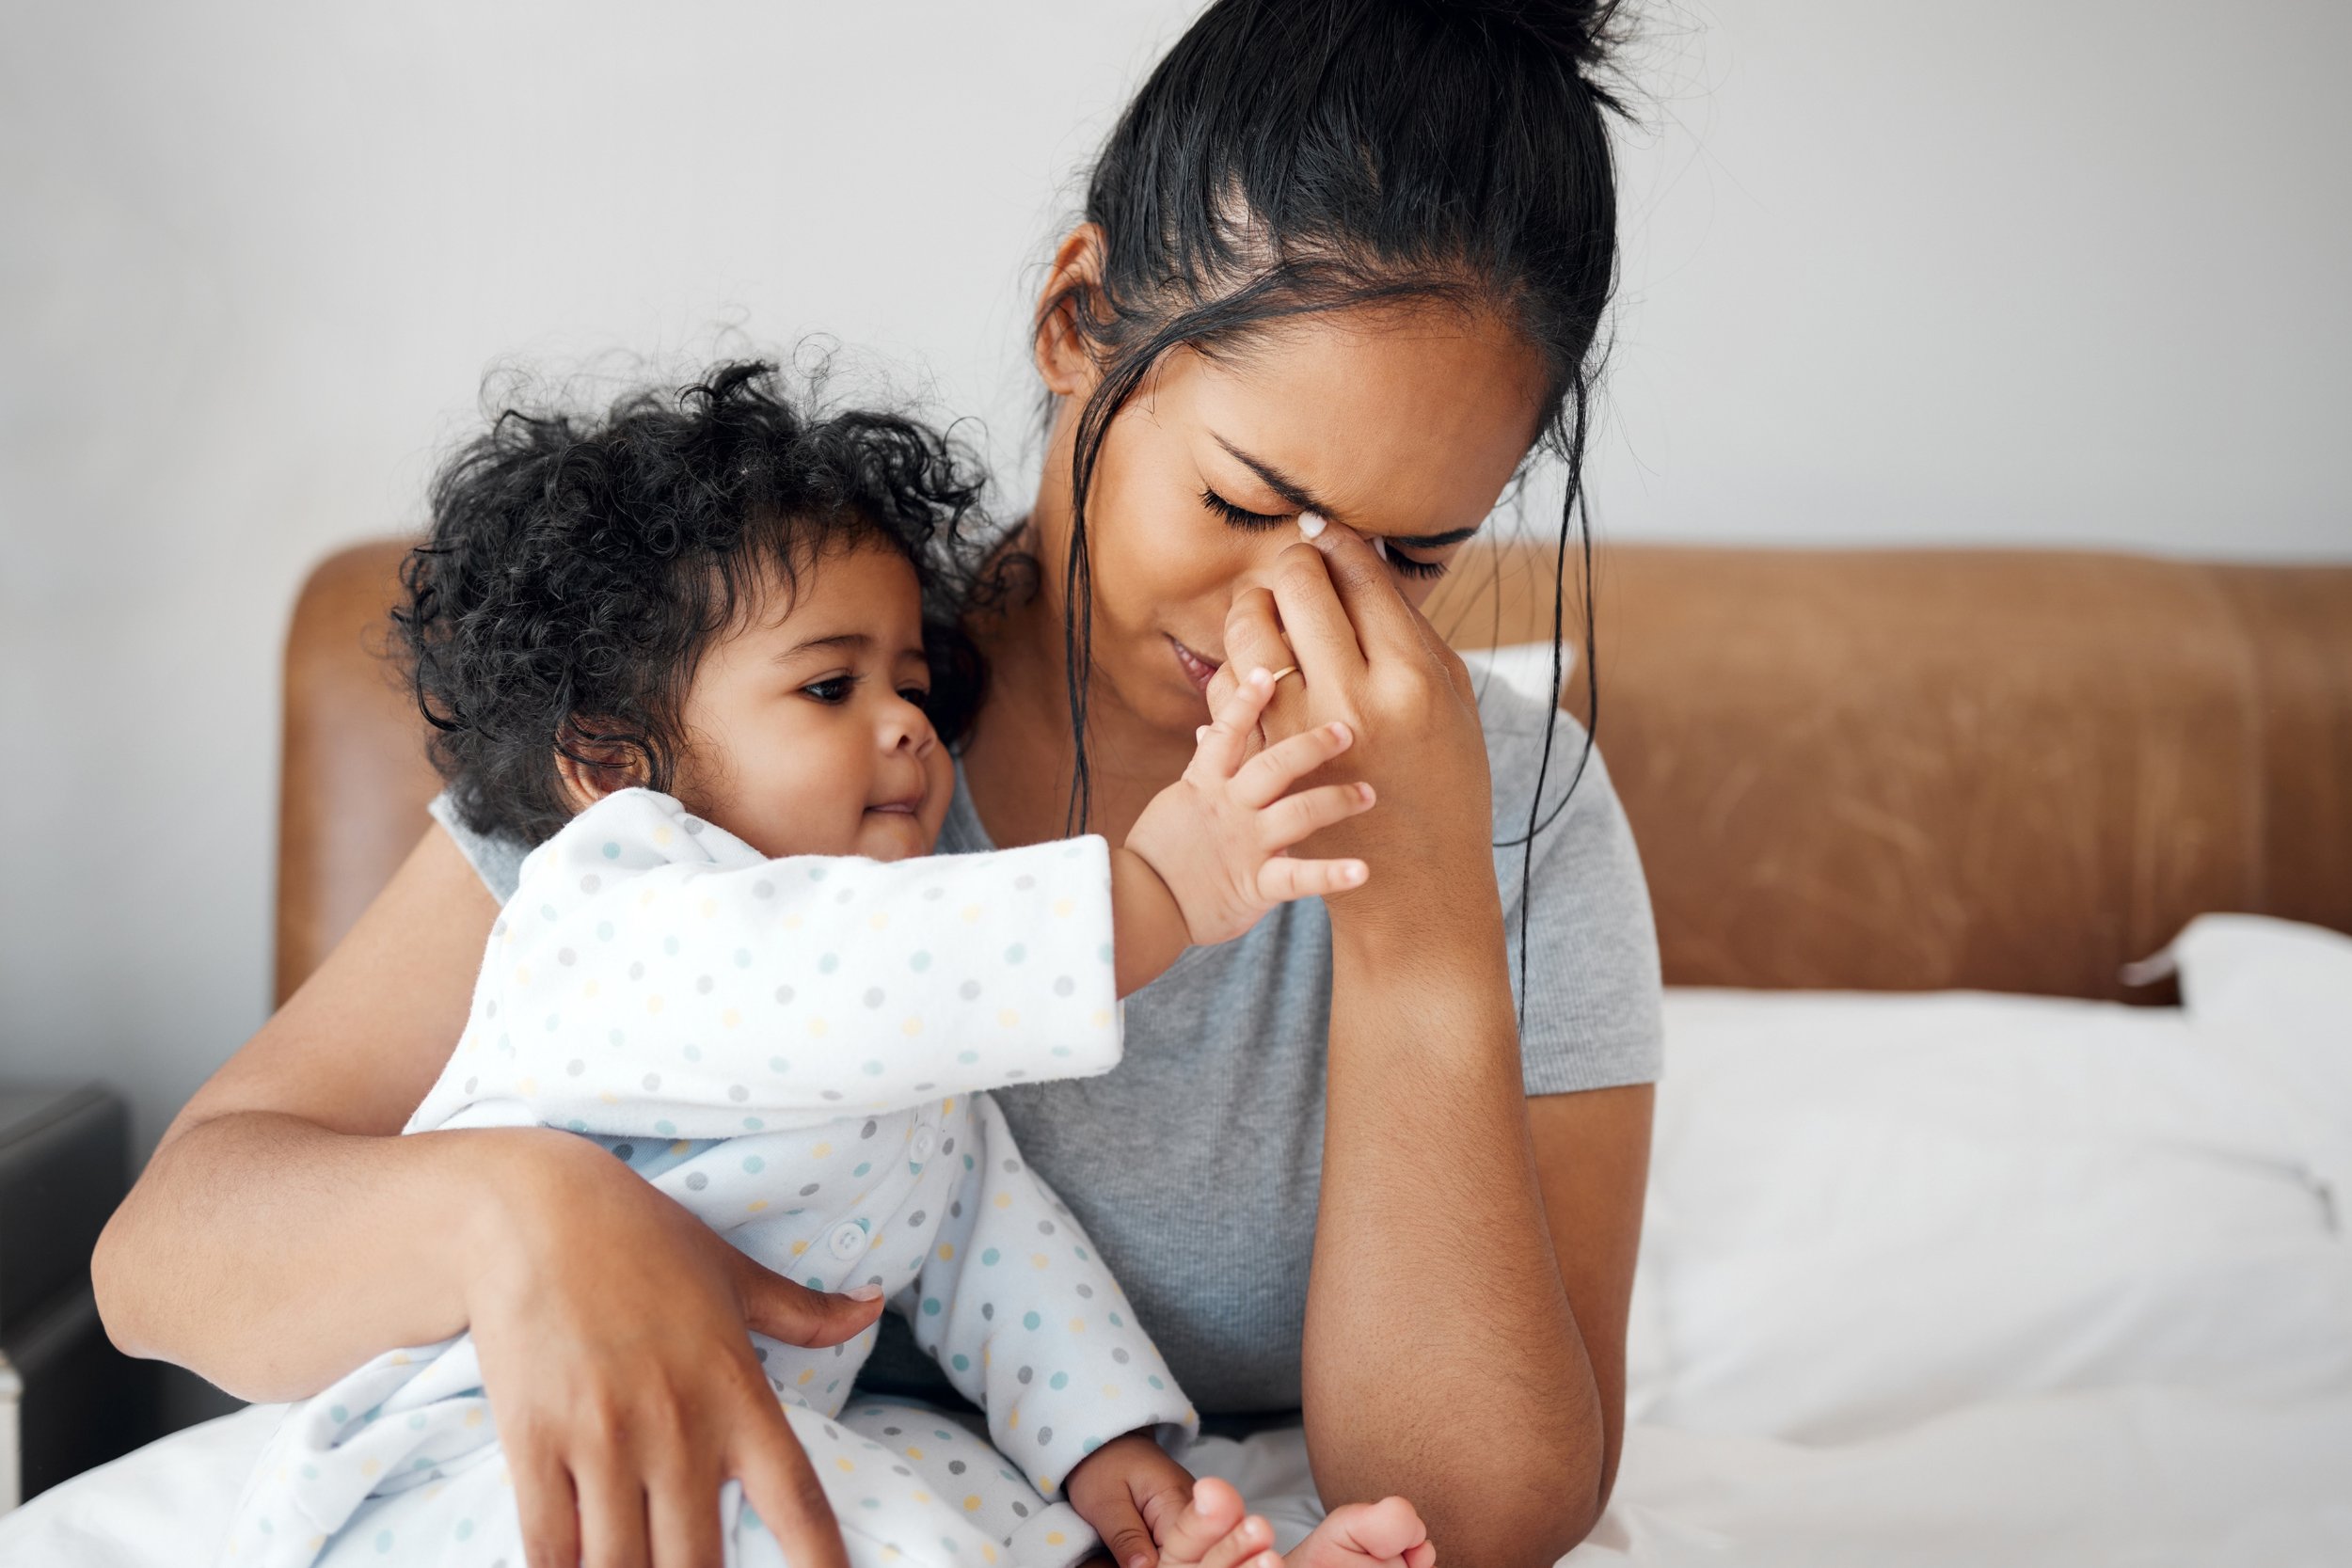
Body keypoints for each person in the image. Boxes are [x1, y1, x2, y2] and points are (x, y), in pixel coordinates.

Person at [94, 3, 1661, 1564]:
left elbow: (1466, 1520)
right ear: (1076, 318)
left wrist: (1425, 907)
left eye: (1412, 558)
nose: (1292, 617)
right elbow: (168, 1260)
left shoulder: (1516, 814)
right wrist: (521, 1216)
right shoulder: (763, 714)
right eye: (1244, 502)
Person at [214, 362, 1431, 1568]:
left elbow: (993, 1249)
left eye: (912, 682)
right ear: (612, 756)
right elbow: (838, 971)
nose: (904, 720)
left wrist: (1112, 1456)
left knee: (970, 1504)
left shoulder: (912, 1046)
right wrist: (1154, 889)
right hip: (488, 1450)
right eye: (829, 685)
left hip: (774, 1426)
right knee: (861, 1518)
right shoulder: (613, 901)